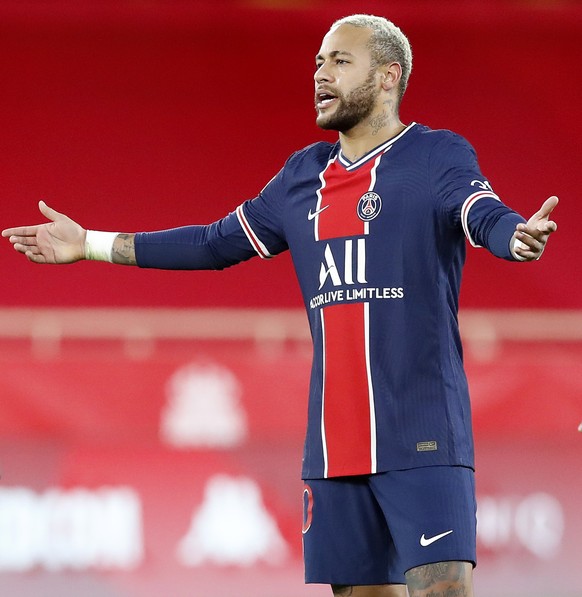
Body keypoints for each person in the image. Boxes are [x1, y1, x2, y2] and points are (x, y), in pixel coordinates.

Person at [2, 14, 557, 597]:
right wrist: (89, 243)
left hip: (425, 434)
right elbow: (214, 243)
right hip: (333, 445)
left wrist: (515, 237)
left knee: (443, 591)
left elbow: (482, 212)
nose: (321, 74)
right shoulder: (303, 176)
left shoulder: (436, 155)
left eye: (340, 61)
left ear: (390, 76)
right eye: (319, 62)